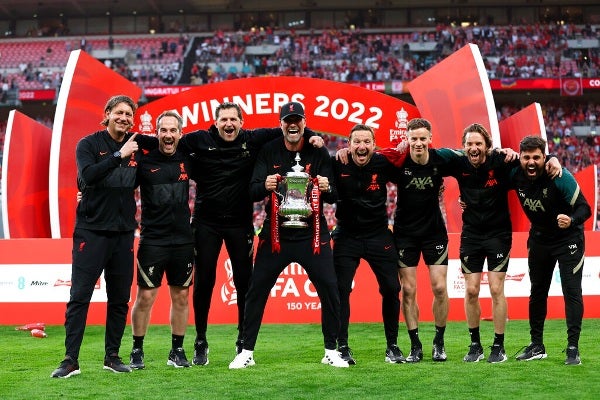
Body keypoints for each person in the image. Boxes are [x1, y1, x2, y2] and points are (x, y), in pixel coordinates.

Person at [177, 102, 323, 366]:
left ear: (242, 122)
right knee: (204, 282)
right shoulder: (199, 139)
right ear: (216, 122)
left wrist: (312, 133)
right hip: (205, 222)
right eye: (224, 120)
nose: (229, 124)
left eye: (234, 119)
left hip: (239, 222)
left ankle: (242, 341)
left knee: (245, 283)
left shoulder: (253, 138)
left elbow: (289, 128)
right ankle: (200, 340)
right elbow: (170, 142)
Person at [229, 101, 348, 369]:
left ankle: (331, 349)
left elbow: (334, 196)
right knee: (256, 291)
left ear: (304, 123)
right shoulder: (268, 150)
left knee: (330, 290)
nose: (292, 125)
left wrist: (327, 187)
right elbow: (252, 190)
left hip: (313, 234)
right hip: (276, 234)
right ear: (281, 124)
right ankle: (246, 350)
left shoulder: (318, 151)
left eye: (297, 120)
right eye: (287, 120)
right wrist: (265, 184)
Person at [51, 95, 141, 378]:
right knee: (79, 297)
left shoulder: (138, 149)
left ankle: (112, 357)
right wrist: (119, 155)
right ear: (107, 114)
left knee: (119, 299)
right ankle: (70, 360)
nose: (124, 118)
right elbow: (87, 176)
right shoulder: (88, 144)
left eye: (129, 114)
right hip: (91, 232)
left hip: (124, 234)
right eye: (119, 113)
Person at [510, 135, 590, 365]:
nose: (531, 162)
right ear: (521, 158)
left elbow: (585, 208)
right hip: (539, 240)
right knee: (537, 292)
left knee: (571, 292)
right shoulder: (515, 173)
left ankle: (573, 348)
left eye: (537, 157)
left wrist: (572, 220)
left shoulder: (559, 176)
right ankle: (537, 345)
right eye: (527, 157)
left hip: (568, 239)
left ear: (545, 158)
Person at [331, 124, 404, 365]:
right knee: (340, 290)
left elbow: (409, 172)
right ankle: (342, 347)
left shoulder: (382, 163)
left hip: (378, 235)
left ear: (374, 145)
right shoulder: (338, 163)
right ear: (348, 145)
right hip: (346, 235)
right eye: (357, 142)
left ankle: (392, 347)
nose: (361, 146)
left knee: (392, 288)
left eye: (366, 142)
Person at [129, 110, 194, 370]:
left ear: (180, 133)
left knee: (181, 298)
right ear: (156, 133)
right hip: (152, 240)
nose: (168, 135)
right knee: (145, 297)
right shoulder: (144, 162)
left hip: (183, 241)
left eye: (172, 130)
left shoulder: (188, 159)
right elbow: (121, 186)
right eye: (163, 130)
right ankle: (137, 350)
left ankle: (177, 351)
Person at [389, 118, 451, 363]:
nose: (418, 143)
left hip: (434, 232)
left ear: (429, 139)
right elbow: (370, 157)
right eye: (413, 138)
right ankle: (415, 345)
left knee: (439, 288)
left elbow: (471, 156)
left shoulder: (441, 159)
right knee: (408, 291)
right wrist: (396, 149)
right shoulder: (399, 162)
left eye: (422, 138)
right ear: (407, 139)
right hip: (405, 234)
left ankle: (439, 341)